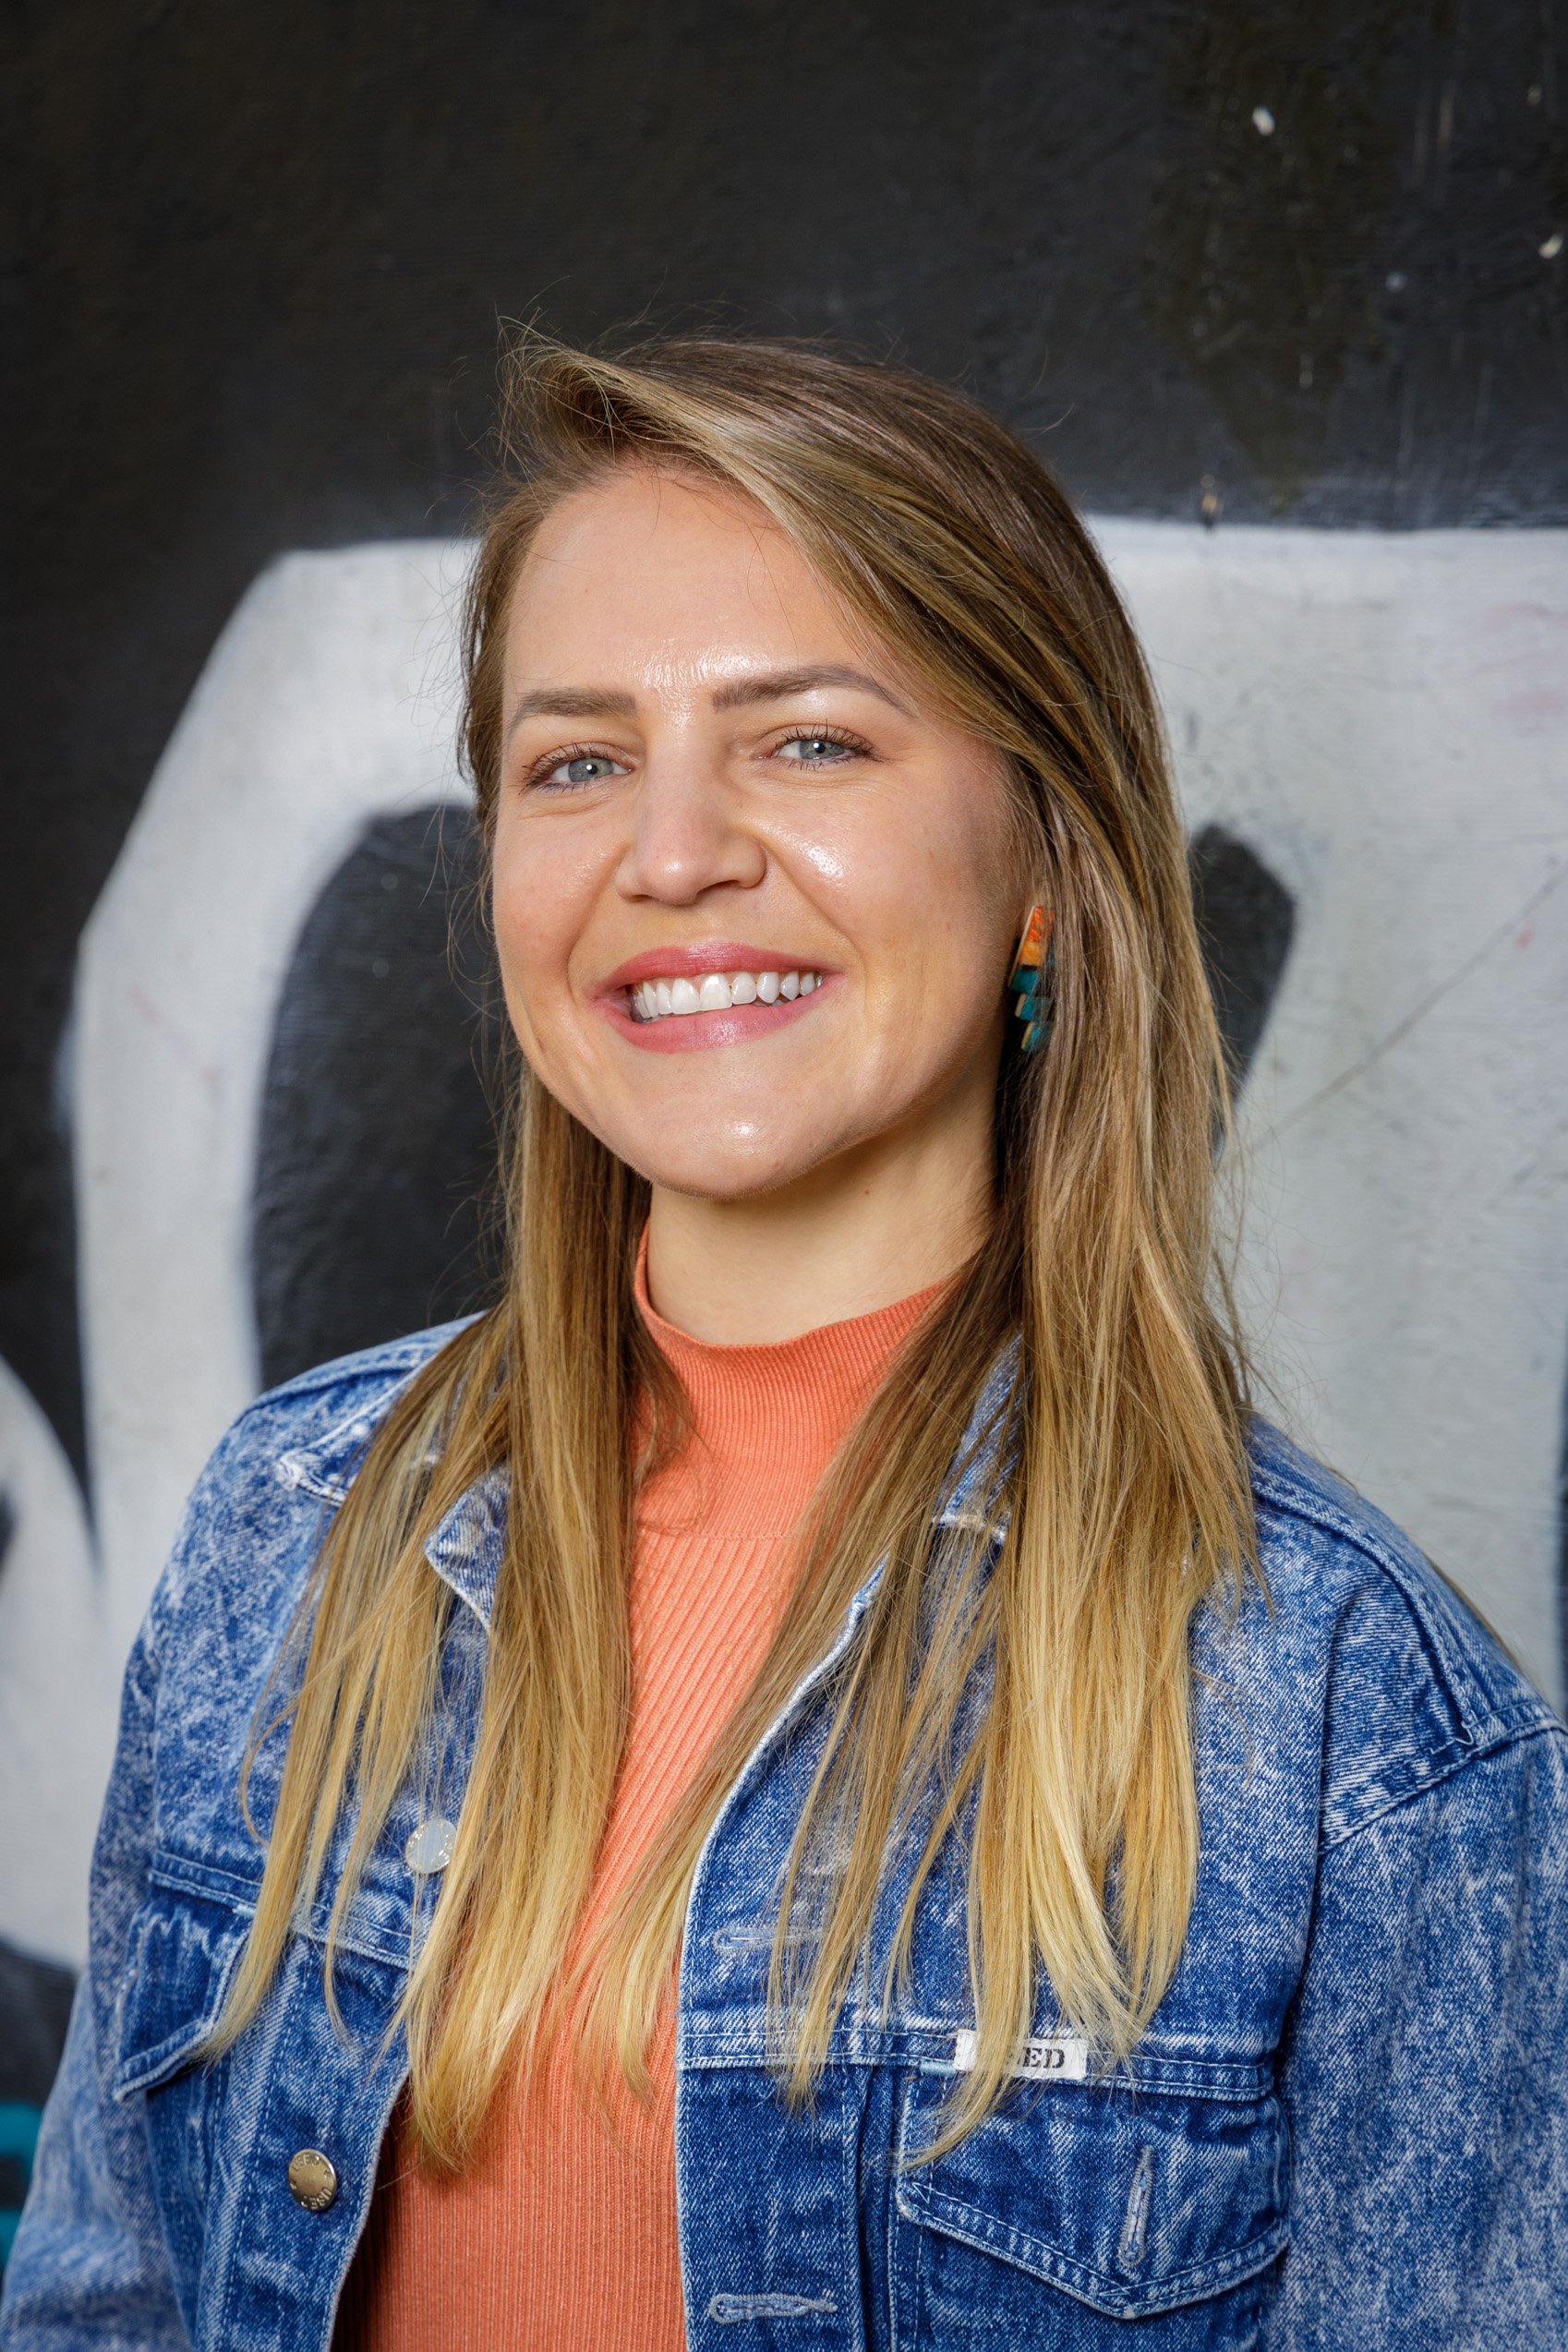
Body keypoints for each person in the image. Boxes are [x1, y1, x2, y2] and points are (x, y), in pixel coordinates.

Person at [5, 337, 1564, 2352]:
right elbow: (111, 2305)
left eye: (808, 740)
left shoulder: (1365, 1734)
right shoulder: (296, 1535)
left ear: (1047, 871)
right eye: (577, 760)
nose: (672, 852)